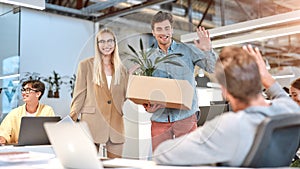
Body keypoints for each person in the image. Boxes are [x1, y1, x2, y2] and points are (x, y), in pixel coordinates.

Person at [153, 45, 300, 166]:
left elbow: (163, 153)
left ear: (224, 90)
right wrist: (267, 77)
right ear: (259, 79)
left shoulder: (228, 126)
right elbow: (280, 96)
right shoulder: (291, 110)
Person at [144, 11, 218, 151]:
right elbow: (145, 87)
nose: (163, 32)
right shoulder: (149, 57)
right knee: (161, 161)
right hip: (159, 119)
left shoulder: (187, 51)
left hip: (186, 118)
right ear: (153, 32)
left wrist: (208, 50)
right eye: (159, 29)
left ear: (172, 30)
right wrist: (147, 106)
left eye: (167, 28)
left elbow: (212, 68)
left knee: (188, 160)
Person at [69, 28, 128, 158]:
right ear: (97, 44)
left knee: (115, 166)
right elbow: (79, 95)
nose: (106, 45)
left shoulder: (122, 69)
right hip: (91, 122)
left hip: (115, 125)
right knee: (87, 164)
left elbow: (124, 97)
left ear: (115, 43)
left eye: (109, 41)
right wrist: (71, 119)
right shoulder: (85, 65)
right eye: (102, 41)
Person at [0, 79, 55, 144]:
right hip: (19, 150)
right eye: (23, 90)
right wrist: (2, 138)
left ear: (38, 94)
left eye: (28, 90)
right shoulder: (14, 113)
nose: (23, 93)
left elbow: (53, 133)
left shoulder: (47, 110)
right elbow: (4, 132)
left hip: (41, 148)